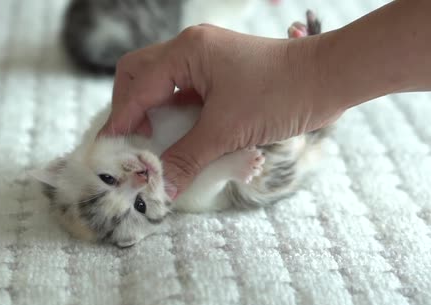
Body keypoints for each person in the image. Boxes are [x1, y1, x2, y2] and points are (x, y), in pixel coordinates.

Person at [98, 0, 431, 199]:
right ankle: (308, 70)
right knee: (276, 157)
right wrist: (312, 69)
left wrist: (314, 69)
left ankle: (307, 67)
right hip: (271, 159)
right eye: (139, 204)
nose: (138, 182)